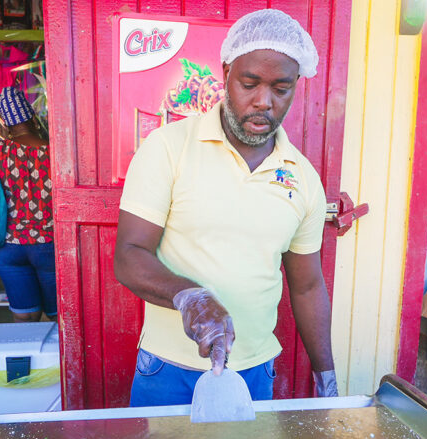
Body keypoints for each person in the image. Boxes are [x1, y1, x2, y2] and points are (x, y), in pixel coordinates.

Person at [114, 9, 337, 407]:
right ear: (226, 73)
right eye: (249, 83)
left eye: (281, 88)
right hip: (168, 370)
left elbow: (307, 286)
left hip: (253, 373)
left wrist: (327, 377)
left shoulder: (302, 178)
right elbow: (130, 255)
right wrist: (190, 297)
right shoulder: (169, 147)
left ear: (296, 87)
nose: (263, 102)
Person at [0, 86, 56, 322]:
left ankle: (25, 359)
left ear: (7, 123)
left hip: (9, 244)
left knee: (25, 316)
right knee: (58, 317)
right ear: (32, 117)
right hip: (48, 243)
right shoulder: (54, 152)